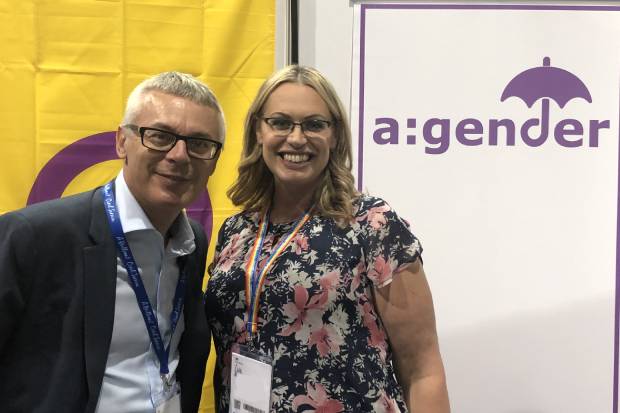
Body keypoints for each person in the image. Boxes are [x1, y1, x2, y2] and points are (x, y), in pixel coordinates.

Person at [205, 65, 450, 412]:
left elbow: (423, 370)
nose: (296, 138)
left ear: (335, 135)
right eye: (280, 122)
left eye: (314, 124)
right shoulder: (235, 232)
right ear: (259, 130)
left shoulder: (372, 225)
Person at [0, 71, 225, 413]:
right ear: (122, 141)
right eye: (160, 136)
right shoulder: (34, 236)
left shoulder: (191, 242)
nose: (180, 155)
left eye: (199, 144)